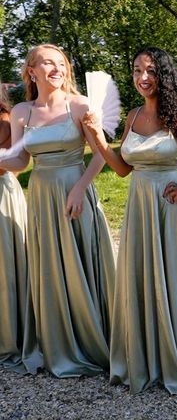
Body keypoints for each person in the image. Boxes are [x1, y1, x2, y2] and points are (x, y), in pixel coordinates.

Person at [82, 46, 177, 394]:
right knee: (143, 275)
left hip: (171, 205)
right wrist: (97, 137)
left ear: (163, 74)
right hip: (140, 206)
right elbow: (122, 169)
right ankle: (148, 352)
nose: (142, 78)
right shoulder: (133, 116)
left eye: (150, 71)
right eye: (136, 71)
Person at [1, 44, 115, 377]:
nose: (56, 69)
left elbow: (100, 154)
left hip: (75, 188)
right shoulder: (22, 111)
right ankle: (58, 343)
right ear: (32, 71)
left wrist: (80, 189)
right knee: (50, 265)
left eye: (61, 64)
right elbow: (22, 160)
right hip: (41, 194)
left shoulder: (79, 105)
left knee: (80, 264)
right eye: (47, 64)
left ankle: (92, 339)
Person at [0, 86, 31, 372]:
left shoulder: (7, 119)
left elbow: (17, 161)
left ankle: (10, 330)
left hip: (2, 193)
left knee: (5, 263)